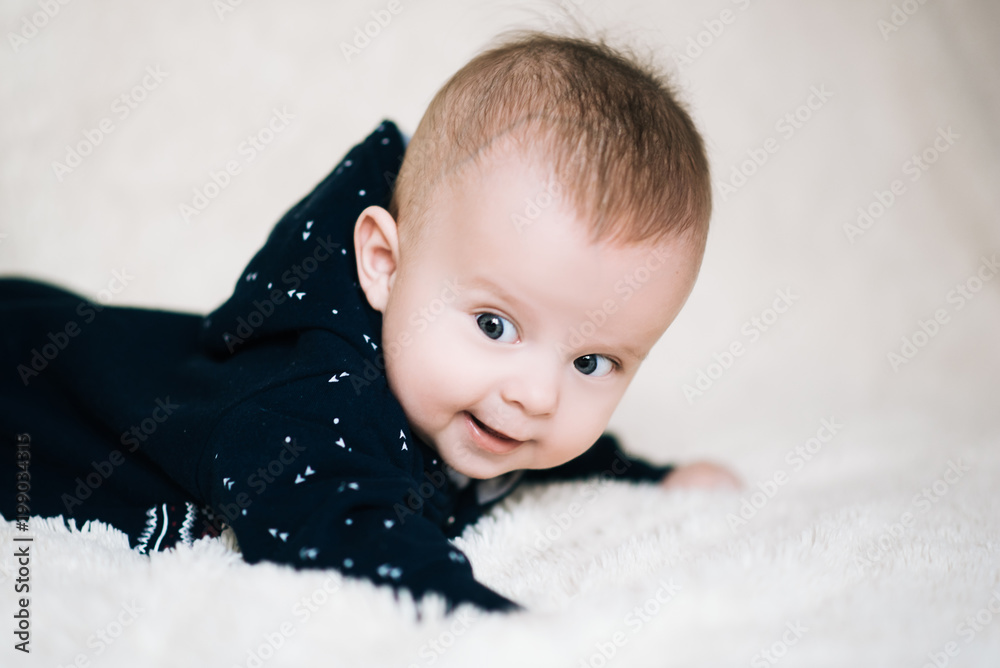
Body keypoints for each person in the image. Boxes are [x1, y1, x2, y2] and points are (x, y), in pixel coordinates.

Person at [0, 31, 739, 613]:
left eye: (590, 363)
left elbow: (543, 449)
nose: (537, 396)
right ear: (384, 262)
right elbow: (343, 527)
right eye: (493, 326)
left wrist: (651, 475)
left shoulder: (479, 398)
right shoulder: (319, 403)